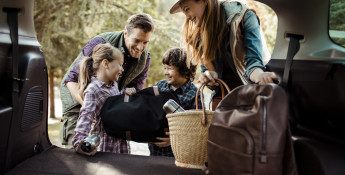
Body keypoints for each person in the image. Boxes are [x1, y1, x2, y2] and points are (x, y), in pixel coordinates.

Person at [59, 14, 154, 148]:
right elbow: (71, 80)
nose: (140, 47)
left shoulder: (145, 59)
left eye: (145, 42)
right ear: (126, 33)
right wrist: (93, 110)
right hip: (79, 102)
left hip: (108, 107)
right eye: (137, 40)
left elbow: (134, 93)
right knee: (78, 154)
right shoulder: (101, 42)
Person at [169, 0, 278, 109]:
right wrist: (208, 77)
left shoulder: (244, 17)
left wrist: (260, 76)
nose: (187, 17)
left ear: (204, 1)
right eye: (184, 13)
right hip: (223, 101)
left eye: (187, 9)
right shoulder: (199, 36)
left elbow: (254, 63)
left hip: (250, 98)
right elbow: (210, 77)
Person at [72, 43, 136, 155]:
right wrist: (79, 143)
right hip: (105, 146)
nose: (122, 70)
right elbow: (85, 117)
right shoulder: (93, 90)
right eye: (120, 65)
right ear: (106, 63)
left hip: (120, 143)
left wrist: (124, 93)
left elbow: (113, 101)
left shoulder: (113, 85)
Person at [148, 47, 202, 157]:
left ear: (184, 69)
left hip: (177, 152)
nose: (165, 72)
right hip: (155, 150)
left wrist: (173, 139)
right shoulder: (160, 86)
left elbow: (196, 128)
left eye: (169, 68)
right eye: (164, 68)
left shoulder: (195, 94)